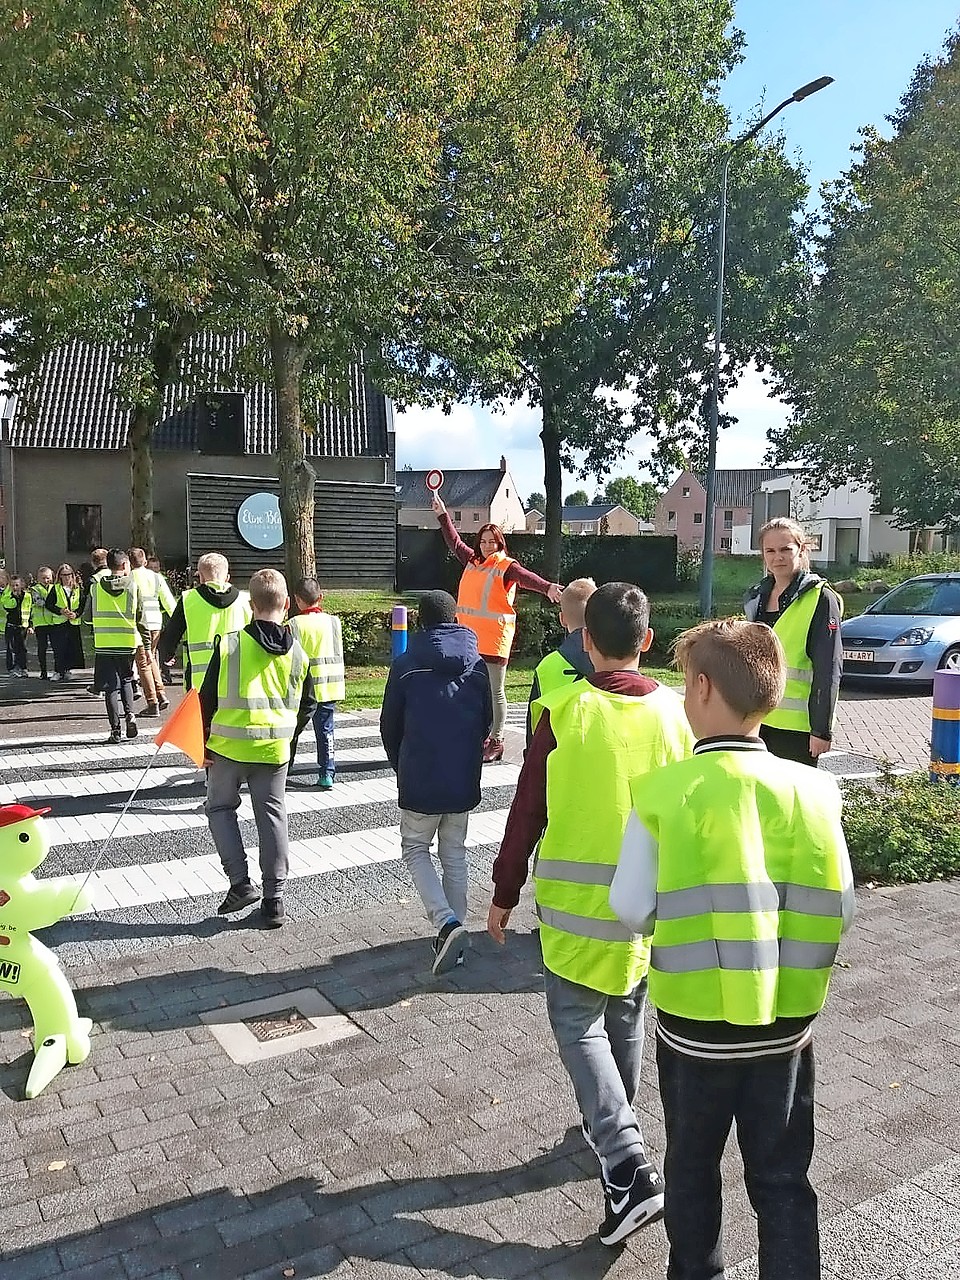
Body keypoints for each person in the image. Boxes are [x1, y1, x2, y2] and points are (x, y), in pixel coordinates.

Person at [610, 619, 855, 1280]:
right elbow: (844, 905)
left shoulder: (665, 793)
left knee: (692, 1170)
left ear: (701, 688)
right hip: (786, 1029)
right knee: (781, 1178)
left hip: (695, 1034)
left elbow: (630, 907)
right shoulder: (815, 791)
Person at [487, 582, 693, 1247]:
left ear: (584, 640)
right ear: (648, 641)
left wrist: (503, 890)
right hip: (648, 905)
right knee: (627, 1012)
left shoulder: (563, 710)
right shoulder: (677, 716)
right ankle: (616, 1132)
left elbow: (528, 809)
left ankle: (627, 1164)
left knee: (578, 1024)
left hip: (575, 908)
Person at [380, 590, 492, 975]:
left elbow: (389, 725)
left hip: (421, 774)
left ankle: (447, 923)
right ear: (456, 617)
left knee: (414, 849)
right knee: (455, 855)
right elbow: (487, 720)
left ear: (419, 621)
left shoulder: (407, 664)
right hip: (462, 776)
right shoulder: (476, 664)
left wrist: (401, 765)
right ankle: (455, 944)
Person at [200, 568, 315, 929]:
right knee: (272, 818)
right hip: (273, 752)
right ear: (285, 605)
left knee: (219, 809)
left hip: (226, 748)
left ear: (251, 604)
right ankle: (274, 900)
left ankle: (239, 883)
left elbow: (205, 699)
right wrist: (288, 737)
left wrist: (202, 742)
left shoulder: (229, 644)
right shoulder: (298, 653)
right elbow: (308, 703)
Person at [431, 493, 562, 763]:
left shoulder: (506, 566)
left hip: (493, 639)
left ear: (500, 543)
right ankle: (480, 735)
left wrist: (547, 587)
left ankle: (498, 740)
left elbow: (526, 578)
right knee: (471, 690)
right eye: (483, 541)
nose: (488, 545)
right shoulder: (472, 561)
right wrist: (443, 514)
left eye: (492, 541)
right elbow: (454, 541)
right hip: (468, 640)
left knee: (495, 691)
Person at [744, 517, 843, 767]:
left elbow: (828, 668)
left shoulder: (821, 599)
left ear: (802, 550)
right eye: (770, 550)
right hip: (758, 721)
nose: (778, 557)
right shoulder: (756, 597)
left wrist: (821, 730)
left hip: (797, 730)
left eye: (786, 549)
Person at [158, 552, 251, 690]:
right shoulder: (245, 601)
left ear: (200, 576)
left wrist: (167, 655)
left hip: (199, 681)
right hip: (236, 678)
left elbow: (171, 635)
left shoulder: (189, 599)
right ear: (227, 577)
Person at [82, 549, 145, 743]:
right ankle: (131, 715)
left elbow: (87, 617)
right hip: (127, 642)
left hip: (104, 643)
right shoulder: (134, 587)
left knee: (110, 687)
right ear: (125, 565)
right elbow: (140, 618)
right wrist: (147, 645)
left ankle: (115, 730)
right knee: (127, 679)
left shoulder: (96, 587)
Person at [288, 578, 346, 789]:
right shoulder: (334, 622)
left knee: (292, 730)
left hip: (304, 690)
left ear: (296, 600)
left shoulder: (294, 624)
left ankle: (286, 767)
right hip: (330, 686)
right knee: (326, 732)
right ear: (320, 597)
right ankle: (327, 773)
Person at [525, 577, 596, 746]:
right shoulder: (609, 658)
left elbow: (533, 728)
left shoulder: (546, 666)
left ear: (562, 619)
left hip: (554, 758)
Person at [128, 547, 175, 716]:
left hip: (140, 624)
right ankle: (161, 694)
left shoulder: (129, 578)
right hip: (156, 622)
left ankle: (152, 701)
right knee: (152, 659)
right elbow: (169, 602)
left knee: (143, 663)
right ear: (145, 561)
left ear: (129, 562)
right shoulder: (156, 577)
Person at [46, 564, 84, 680]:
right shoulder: (56, 588)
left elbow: (82, 604)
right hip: (60, 622)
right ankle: (58, 671)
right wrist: (60, 611)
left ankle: (67, 670)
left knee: (71, 647)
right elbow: (49, 604)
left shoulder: (78, 588)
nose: (67, 577)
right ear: (60, 576)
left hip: (73, 622)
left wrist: (76, 614)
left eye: (69, 575)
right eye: (64, 575)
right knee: (59, 648)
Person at [30, 567, 57, 680]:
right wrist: (51, 604)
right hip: (40, 623)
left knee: (56, 647)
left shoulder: (54, 588)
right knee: (42, 647)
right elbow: (38, 601)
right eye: (43, 578)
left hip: (52, 621)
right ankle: (43, 671)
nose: (46, 580)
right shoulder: (35, 589)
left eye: (48, 578)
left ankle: (57, 670)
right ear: (38, 578)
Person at [2, 575, 32, 676]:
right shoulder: (7, 595)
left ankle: (23, 667)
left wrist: (31, 625)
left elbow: (30, 611)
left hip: (22, 626)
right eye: (12, 585)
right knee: (10, 648)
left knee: (22, 648)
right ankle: (12, 668)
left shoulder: (27, 596)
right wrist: (13, 597)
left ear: (21, 585)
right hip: (11, 625)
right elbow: (8, 606)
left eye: (17, 585)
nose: (15, 587)